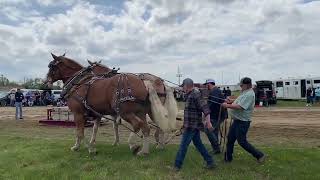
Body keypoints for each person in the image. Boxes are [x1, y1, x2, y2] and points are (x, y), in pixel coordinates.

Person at [174, 78, 215, 171]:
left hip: (192, 126)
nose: (182, 88)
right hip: (191, 125)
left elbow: (206, 110)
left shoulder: (196, 94)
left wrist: (208, 123)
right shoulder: (189, 94)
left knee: (183, 146)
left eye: (183, 86)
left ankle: (177, 166)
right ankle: (210, 162)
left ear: (186, 86)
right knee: (199, 145)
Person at [222, 77, 265, 163]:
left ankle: (259, 155)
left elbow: (240, 106)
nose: (240, 86)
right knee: (230, 139)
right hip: (237, 121)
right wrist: (231, 101)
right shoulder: (245, 92)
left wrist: (227, 105)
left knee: (242, 142)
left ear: (247, 85)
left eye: (242, 85)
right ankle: (228, 158)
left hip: (243, 122)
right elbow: (240, 101)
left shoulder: (249, 94)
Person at [204, 79, 226, 154]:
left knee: (208, 129)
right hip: (218, 114)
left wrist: (206, 111)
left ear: (209, 84)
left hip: (216, 115)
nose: (206, 86)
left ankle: (216, 147)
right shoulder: (215, 90)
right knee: (214, 130)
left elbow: (214, 103)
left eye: (206, 84)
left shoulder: (214, 91)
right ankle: (216, 149)